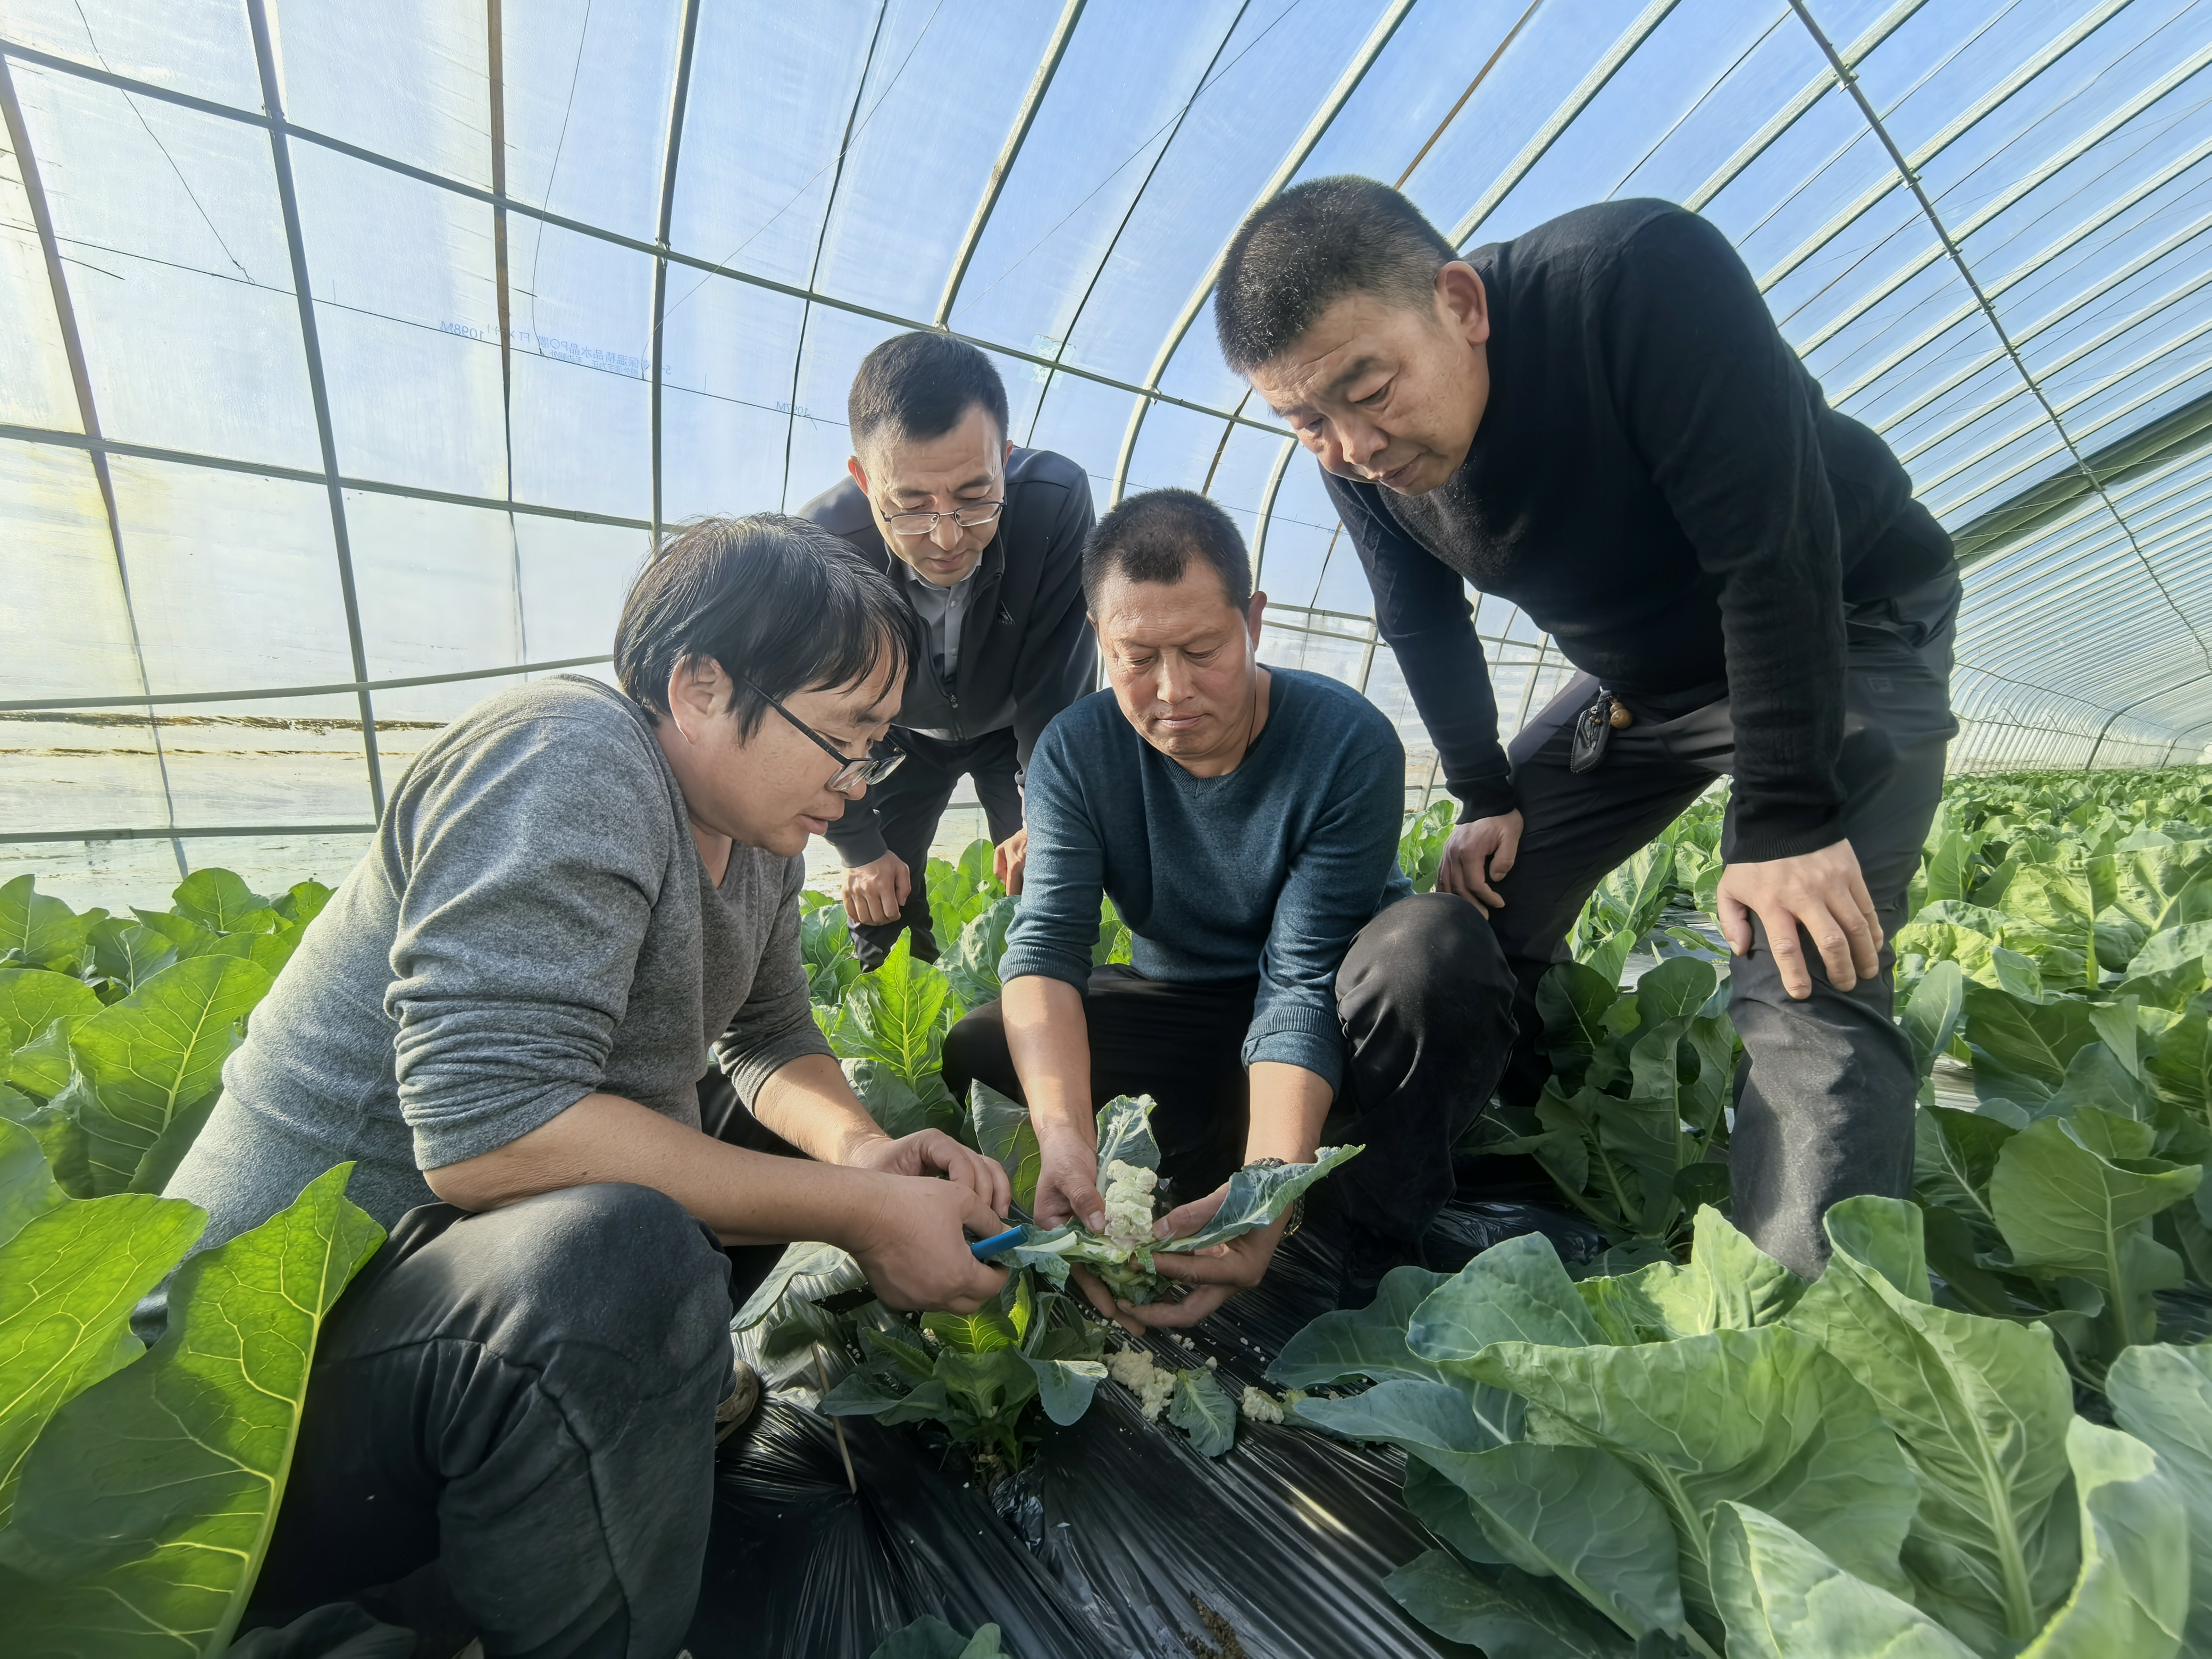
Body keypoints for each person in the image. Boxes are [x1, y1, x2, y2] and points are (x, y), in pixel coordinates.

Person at [163, 515, 1011, 1657]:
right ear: (701, 686)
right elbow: (490, 1132)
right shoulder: (567, 756)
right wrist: (857, 1215)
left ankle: (616, 1413)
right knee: (623, 1257)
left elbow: (767, 1037)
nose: (858, 782)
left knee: (776, 1148)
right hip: (255, 1382)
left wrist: (867, 1159)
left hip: (437, 1305)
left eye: (877, 746)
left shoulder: (759, 838)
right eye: (844, 735)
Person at [1214, 177, 1961, 1277]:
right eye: (1306, 421)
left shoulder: (1635, 280)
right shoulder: (1357, 451)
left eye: (1368, 391)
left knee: (1803, 958)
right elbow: (1419, 619)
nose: (1353, 444)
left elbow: (1772, 548)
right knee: (1473, 905)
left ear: (1462, 304)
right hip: (1641, 679)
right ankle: (1484, 1151)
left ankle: (1808, 1330)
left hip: (1839, 623)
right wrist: (1484, 791)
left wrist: (1788, 817)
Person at [940, 488, 1518, 1319]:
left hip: (1342, 1008)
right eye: (1137, 659)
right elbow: (1047, 948)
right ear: (1099, 638)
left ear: (1253, 620)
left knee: (1437, 955)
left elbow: (1300, 981)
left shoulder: (1346, 741)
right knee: (986, 1045)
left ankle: (1375, 1230)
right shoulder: (1076, 751)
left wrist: (1266, 1190)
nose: (1172, 690)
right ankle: (1217, 1156)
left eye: (1203, 650)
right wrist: (1064, 1135)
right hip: (1190, 1005)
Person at [800, 331, 1096, 968]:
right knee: (882, 909)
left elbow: (1056, 679)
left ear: (1005, 461)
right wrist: (857, 847)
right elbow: (825, 711)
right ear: (863, 479)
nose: (945, 538)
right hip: (894, 736)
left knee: (1047, 884)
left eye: (973, 497)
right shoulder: (825, 545)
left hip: (1014, 724)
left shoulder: (1054, 501)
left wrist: (1046, 812)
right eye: (909, 505)